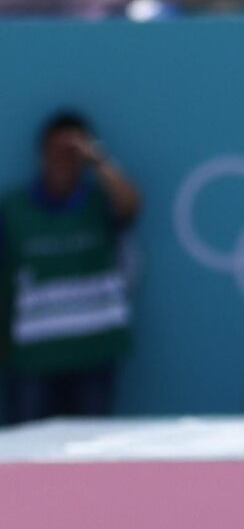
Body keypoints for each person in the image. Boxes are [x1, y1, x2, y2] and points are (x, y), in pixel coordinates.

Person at [1, 111, 141, 424]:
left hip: (94, 350)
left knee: (89, 455)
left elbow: (131, 206)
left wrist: (99, 160)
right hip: (32, 356)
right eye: (56, 150)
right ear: (41, 153)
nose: (63, 159)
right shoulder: (12, 209)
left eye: (73, 152)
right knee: (25, 456)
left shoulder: (101, 202)